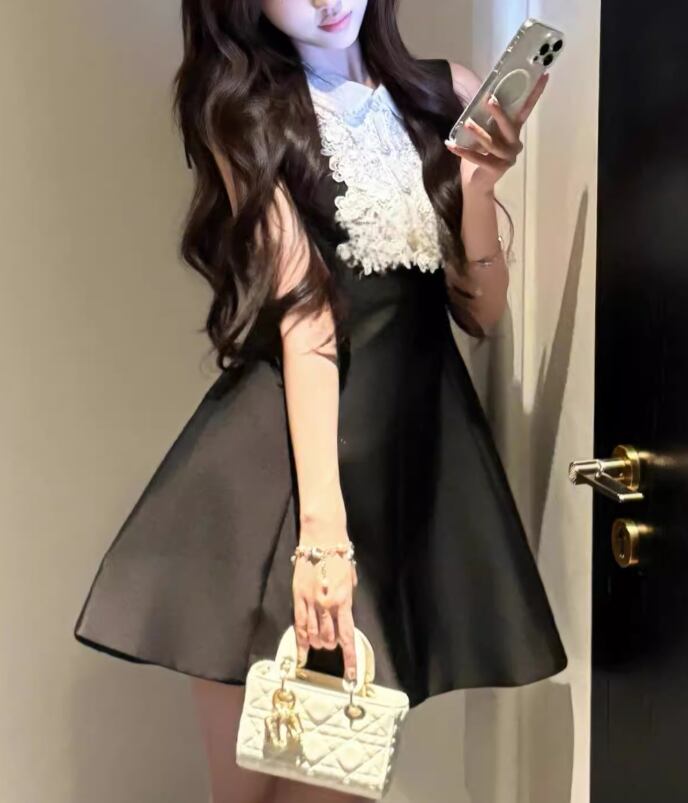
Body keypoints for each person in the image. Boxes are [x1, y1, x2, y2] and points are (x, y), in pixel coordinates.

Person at [73, 0, 568, 800]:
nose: (327, 1)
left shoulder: (444, 93)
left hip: (393, 475)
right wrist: (322, 542)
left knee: (334, 777)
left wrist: (476, 185)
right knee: (247, 794)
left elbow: (479, 313)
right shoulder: (242, 111)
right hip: (276, 486)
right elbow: (305, 316)